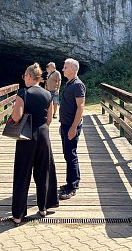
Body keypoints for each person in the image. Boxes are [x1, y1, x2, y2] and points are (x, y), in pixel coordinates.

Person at [11, 62, 59, 226]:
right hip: (44, 135)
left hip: (26, 137)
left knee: (22, 175)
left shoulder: (23, 93)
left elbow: (16, 117)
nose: (23, 78)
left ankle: (18, 215)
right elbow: (50, 119)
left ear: (30, 76)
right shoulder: (48, 95)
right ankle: (43, 208)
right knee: (43, 172)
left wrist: (13, 112)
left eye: (24, 76)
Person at [58, 58, 86, 200]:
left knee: (71, 155)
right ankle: (72, 181)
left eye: (65, 67)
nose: (63, 69)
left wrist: (73, 127)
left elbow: (81, 107)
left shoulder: (77, 85)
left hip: (71, 126)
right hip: (66, 124)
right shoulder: (69, 83)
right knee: (68, 155)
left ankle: (72, 186)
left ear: (74, 69)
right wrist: (62, 124)